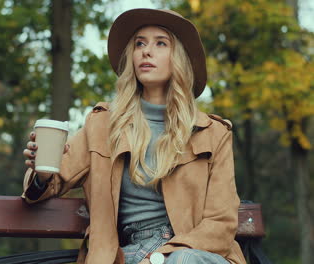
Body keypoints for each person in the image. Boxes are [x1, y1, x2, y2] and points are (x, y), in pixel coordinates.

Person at [22, 8, 245, 264]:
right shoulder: (103, 124)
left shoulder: (213, 133)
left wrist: (160, 256)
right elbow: (51, 182)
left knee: (182, 260)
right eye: (140, 43)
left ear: (179, 59)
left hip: (195, 255)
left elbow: (221, 224)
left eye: (160, 43)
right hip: (128, 254)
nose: (146, 51)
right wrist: (40, 173)